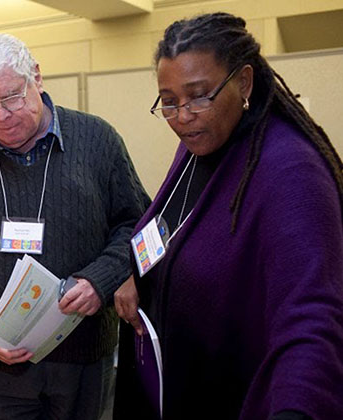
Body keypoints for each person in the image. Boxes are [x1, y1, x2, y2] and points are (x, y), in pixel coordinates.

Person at [113, 12, 343, 420]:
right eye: (169, 102)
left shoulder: (289, 170)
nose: (183, 116)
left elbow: (312, 319)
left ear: (244, 83)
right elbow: (170, 226)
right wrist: (137, 274)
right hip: (176, 384)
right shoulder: (197, 146)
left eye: (200, 95)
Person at [0, 33, 150, 420]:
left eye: (11, 97)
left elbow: (134, 224)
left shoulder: (97, 140)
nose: (2, 115)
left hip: (82, 358)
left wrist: (99, 280)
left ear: (37, 78)